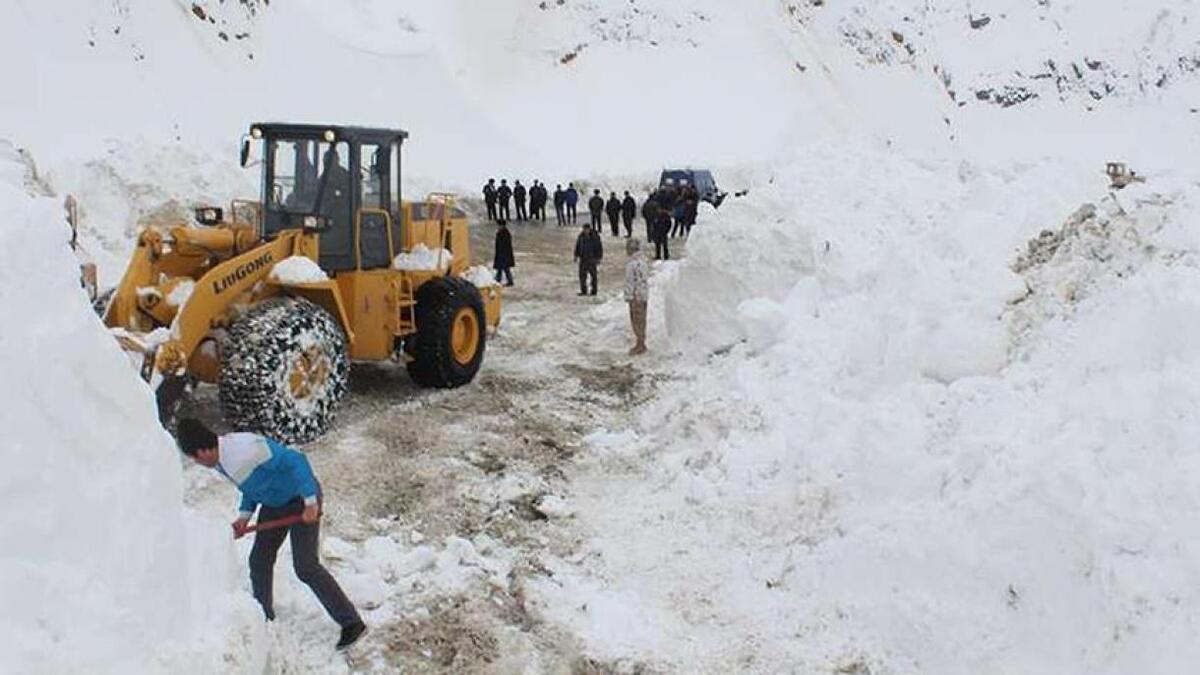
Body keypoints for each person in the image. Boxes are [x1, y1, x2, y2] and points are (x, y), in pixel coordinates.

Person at [175, 419, 367, 651]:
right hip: (274, 504)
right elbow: (251, 485)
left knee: (306, 567)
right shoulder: (219, 462)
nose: (196, 462)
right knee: (259, 560)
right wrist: (244, 516)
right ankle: (262, 617)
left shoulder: (246, 449)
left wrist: (310, 502)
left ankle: (352, 623)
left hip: (300, 499)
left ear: (203, 450)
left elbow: (296, 461)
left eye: (195, 457)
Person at [624, 237, 649, 355]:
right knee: (641, 320)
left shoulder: (634, 264)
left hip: (636, 296)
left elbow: (634, 281)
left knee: (637, 320)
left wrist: (631, 295)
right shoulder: (641, 261)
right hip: (641, 295)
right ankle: (640, 342)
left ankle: (640, 344)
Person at [573, 223, 603, 296]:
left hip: (592, 259)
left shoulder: (595, 237)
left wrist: (599, 258)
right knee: (582, 276)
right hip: (583, 258)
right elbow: (577, 246)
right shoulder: (581, 236)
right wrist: (576, 255)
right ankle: (583, 290)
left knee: (593, 276)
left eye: (586, 229)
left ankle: (594, 291)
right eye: (584, 229)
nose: (585, 231)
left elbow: (599, 247)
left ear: (589, 229)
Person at [493, 219, 515, 286]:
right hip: (503, 253)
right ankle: (499, 280)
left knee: (504, 268)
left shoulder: (504, 233)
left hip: (503, 254)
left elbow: (504, 244)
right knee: (503, 268)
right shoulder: (502, 232)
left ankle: (499, 280)